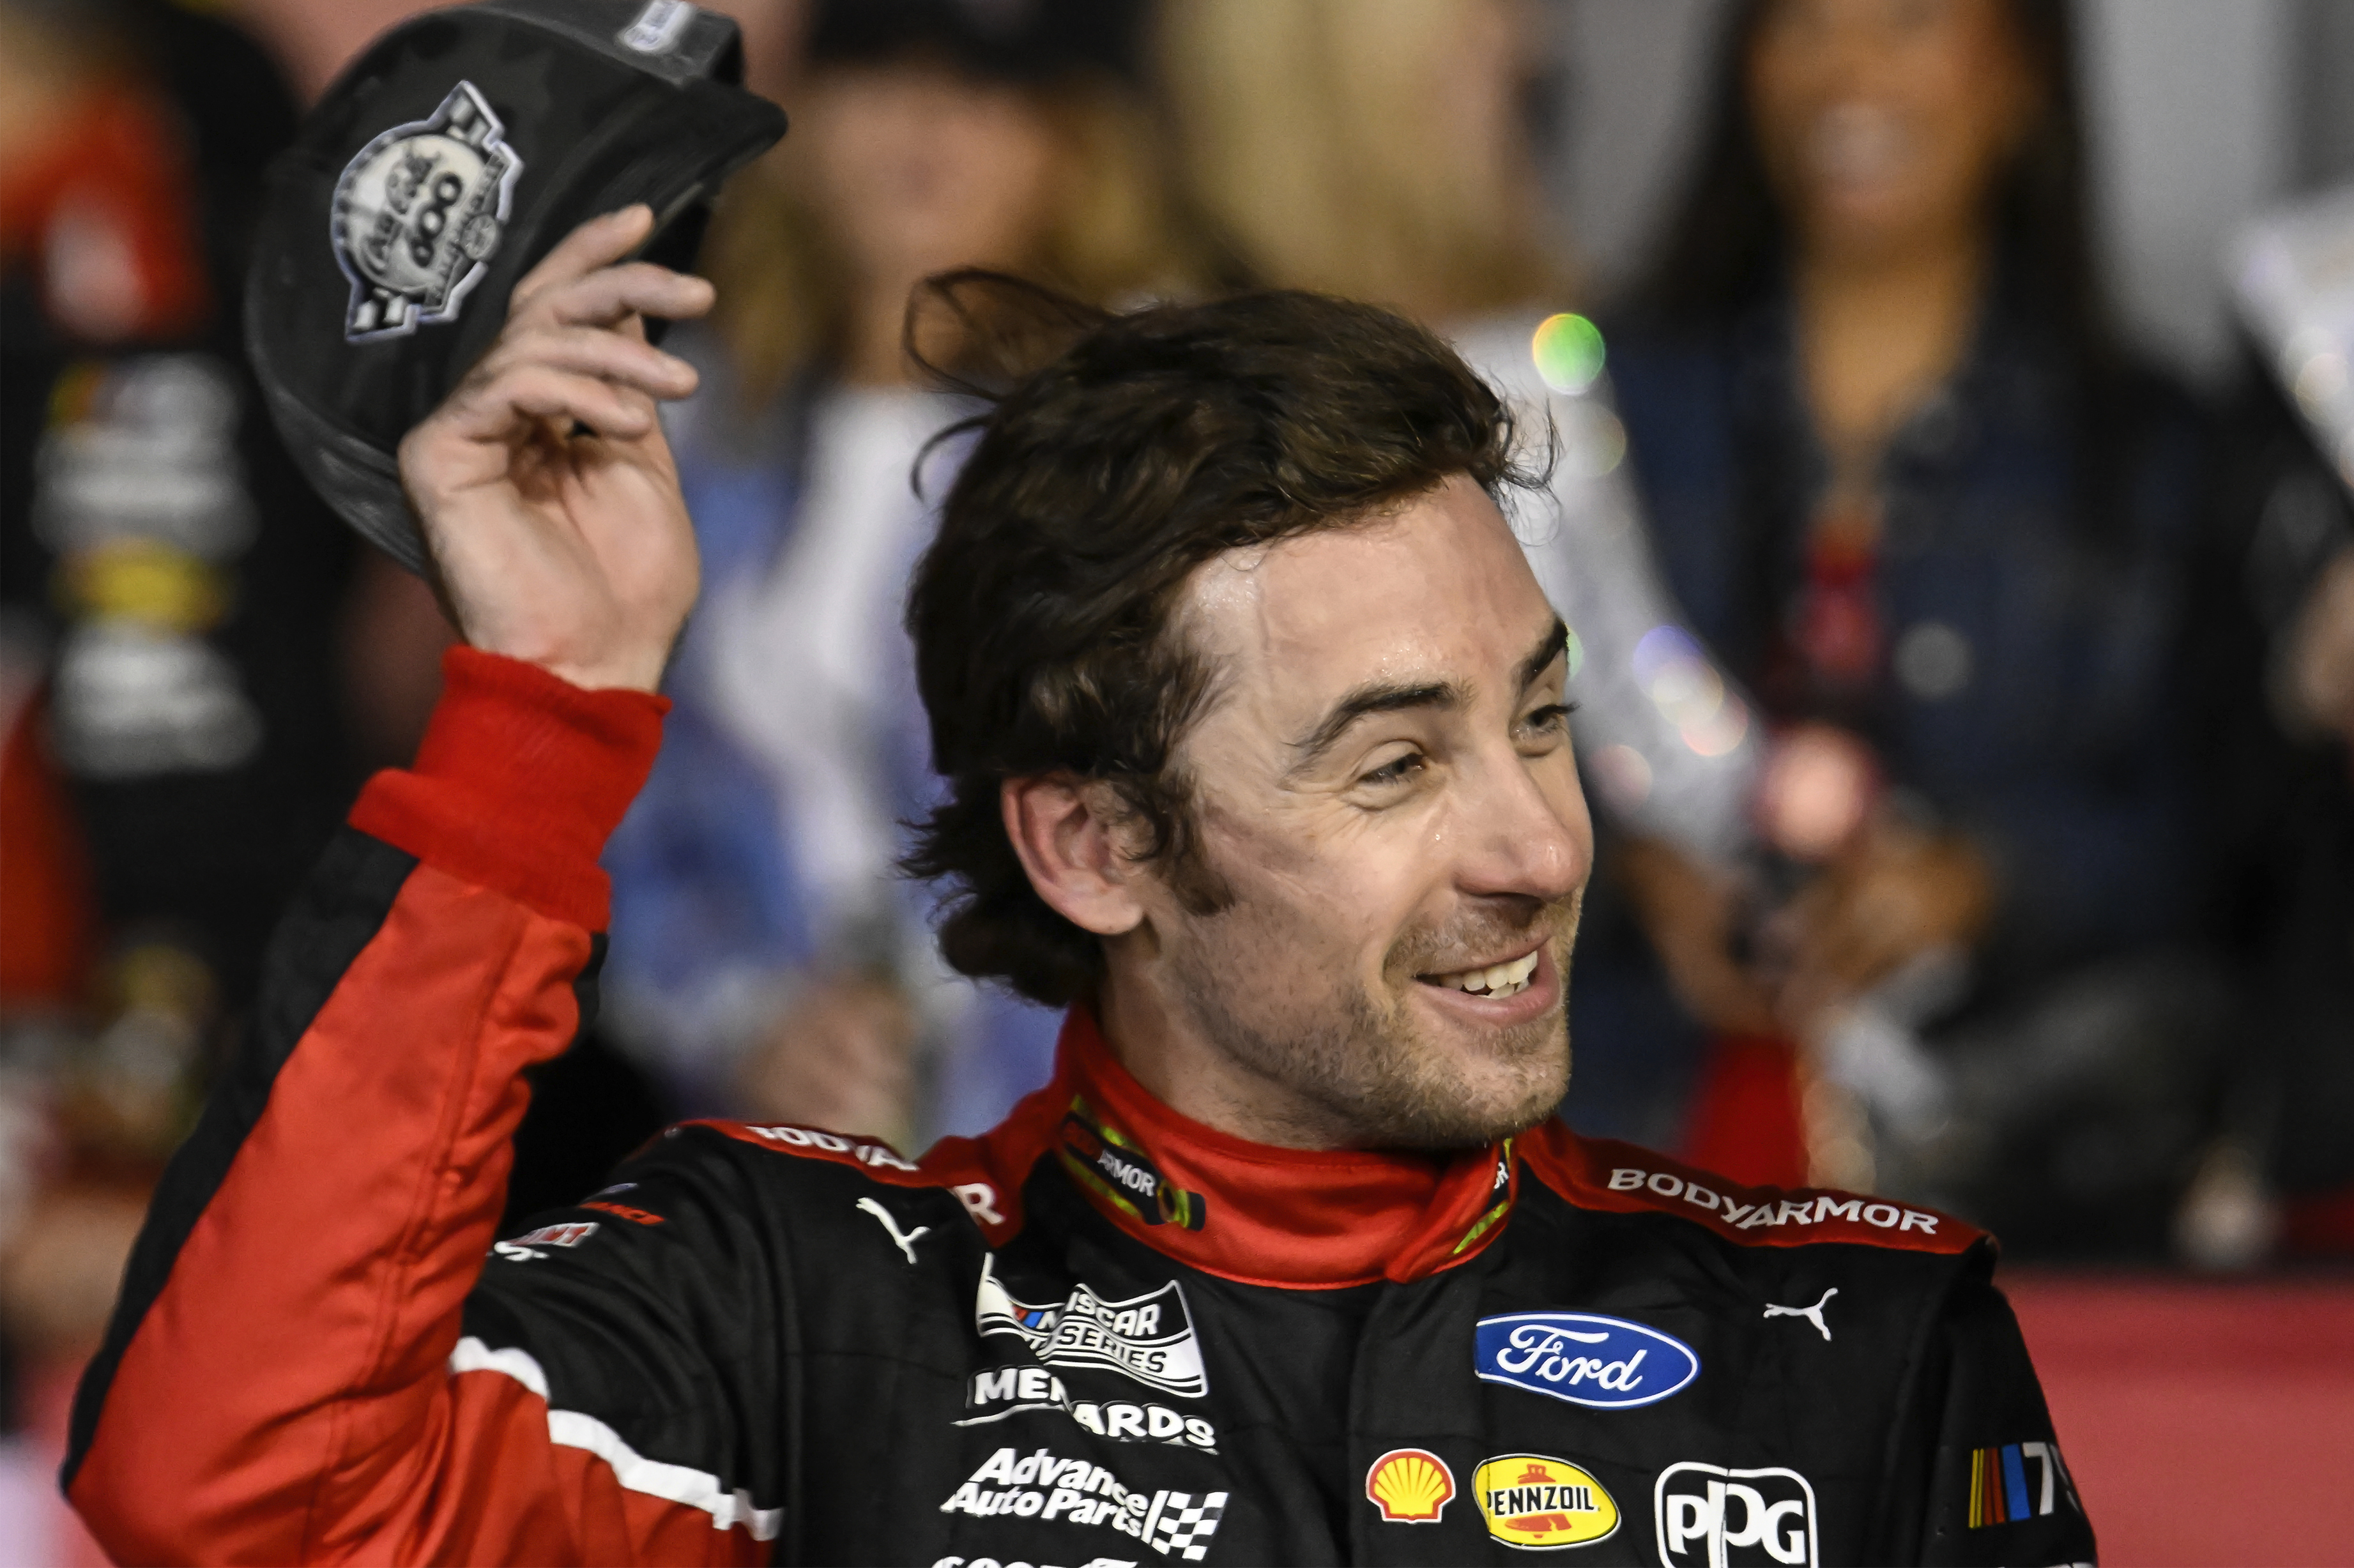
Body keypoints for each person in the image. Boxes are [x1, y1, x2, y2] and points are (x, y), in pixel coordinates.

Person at [67, 210, 2093, 1567]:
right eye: (1393, 764)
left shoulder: (1852, 1347)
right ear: (1090, 844)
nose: (1537, 846)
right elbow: (228, 1486)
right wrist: (547, 718)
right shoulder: (795, 1316)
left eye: (1536, 721)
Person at [1600, 0, 2225, 1245]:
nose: (1849, 69)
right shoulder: (1595, 405)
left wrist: (1986, 882)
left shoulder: (2150, 449)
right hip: (1625, 1137)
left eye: (1907, 21)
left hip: (2019, 1177)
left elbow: (2223, 839)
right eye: (1802, 24)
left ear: (2021, 74)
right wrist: (1618, 873)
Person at [1158, 0, 1763, 1148]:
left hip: (1569, 1064)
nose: (1530, 50)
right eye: (1490, 13)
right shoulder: (1156, 402)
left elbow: (1639, 679)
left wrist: (1765, 838)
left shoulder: (1542, 347)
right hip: (1261, 1109)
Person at [602, 0, 1196, 1144]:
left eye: (986, 85)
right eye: (878, 69)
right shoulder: (695, 418)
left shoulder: (1141, 437)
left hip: (1080, 1136)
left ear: (1075, 141)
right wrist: (745, 1022)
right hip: (770, 1143)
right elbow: (629, 813)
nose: (925, 126)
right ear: (805, 113)